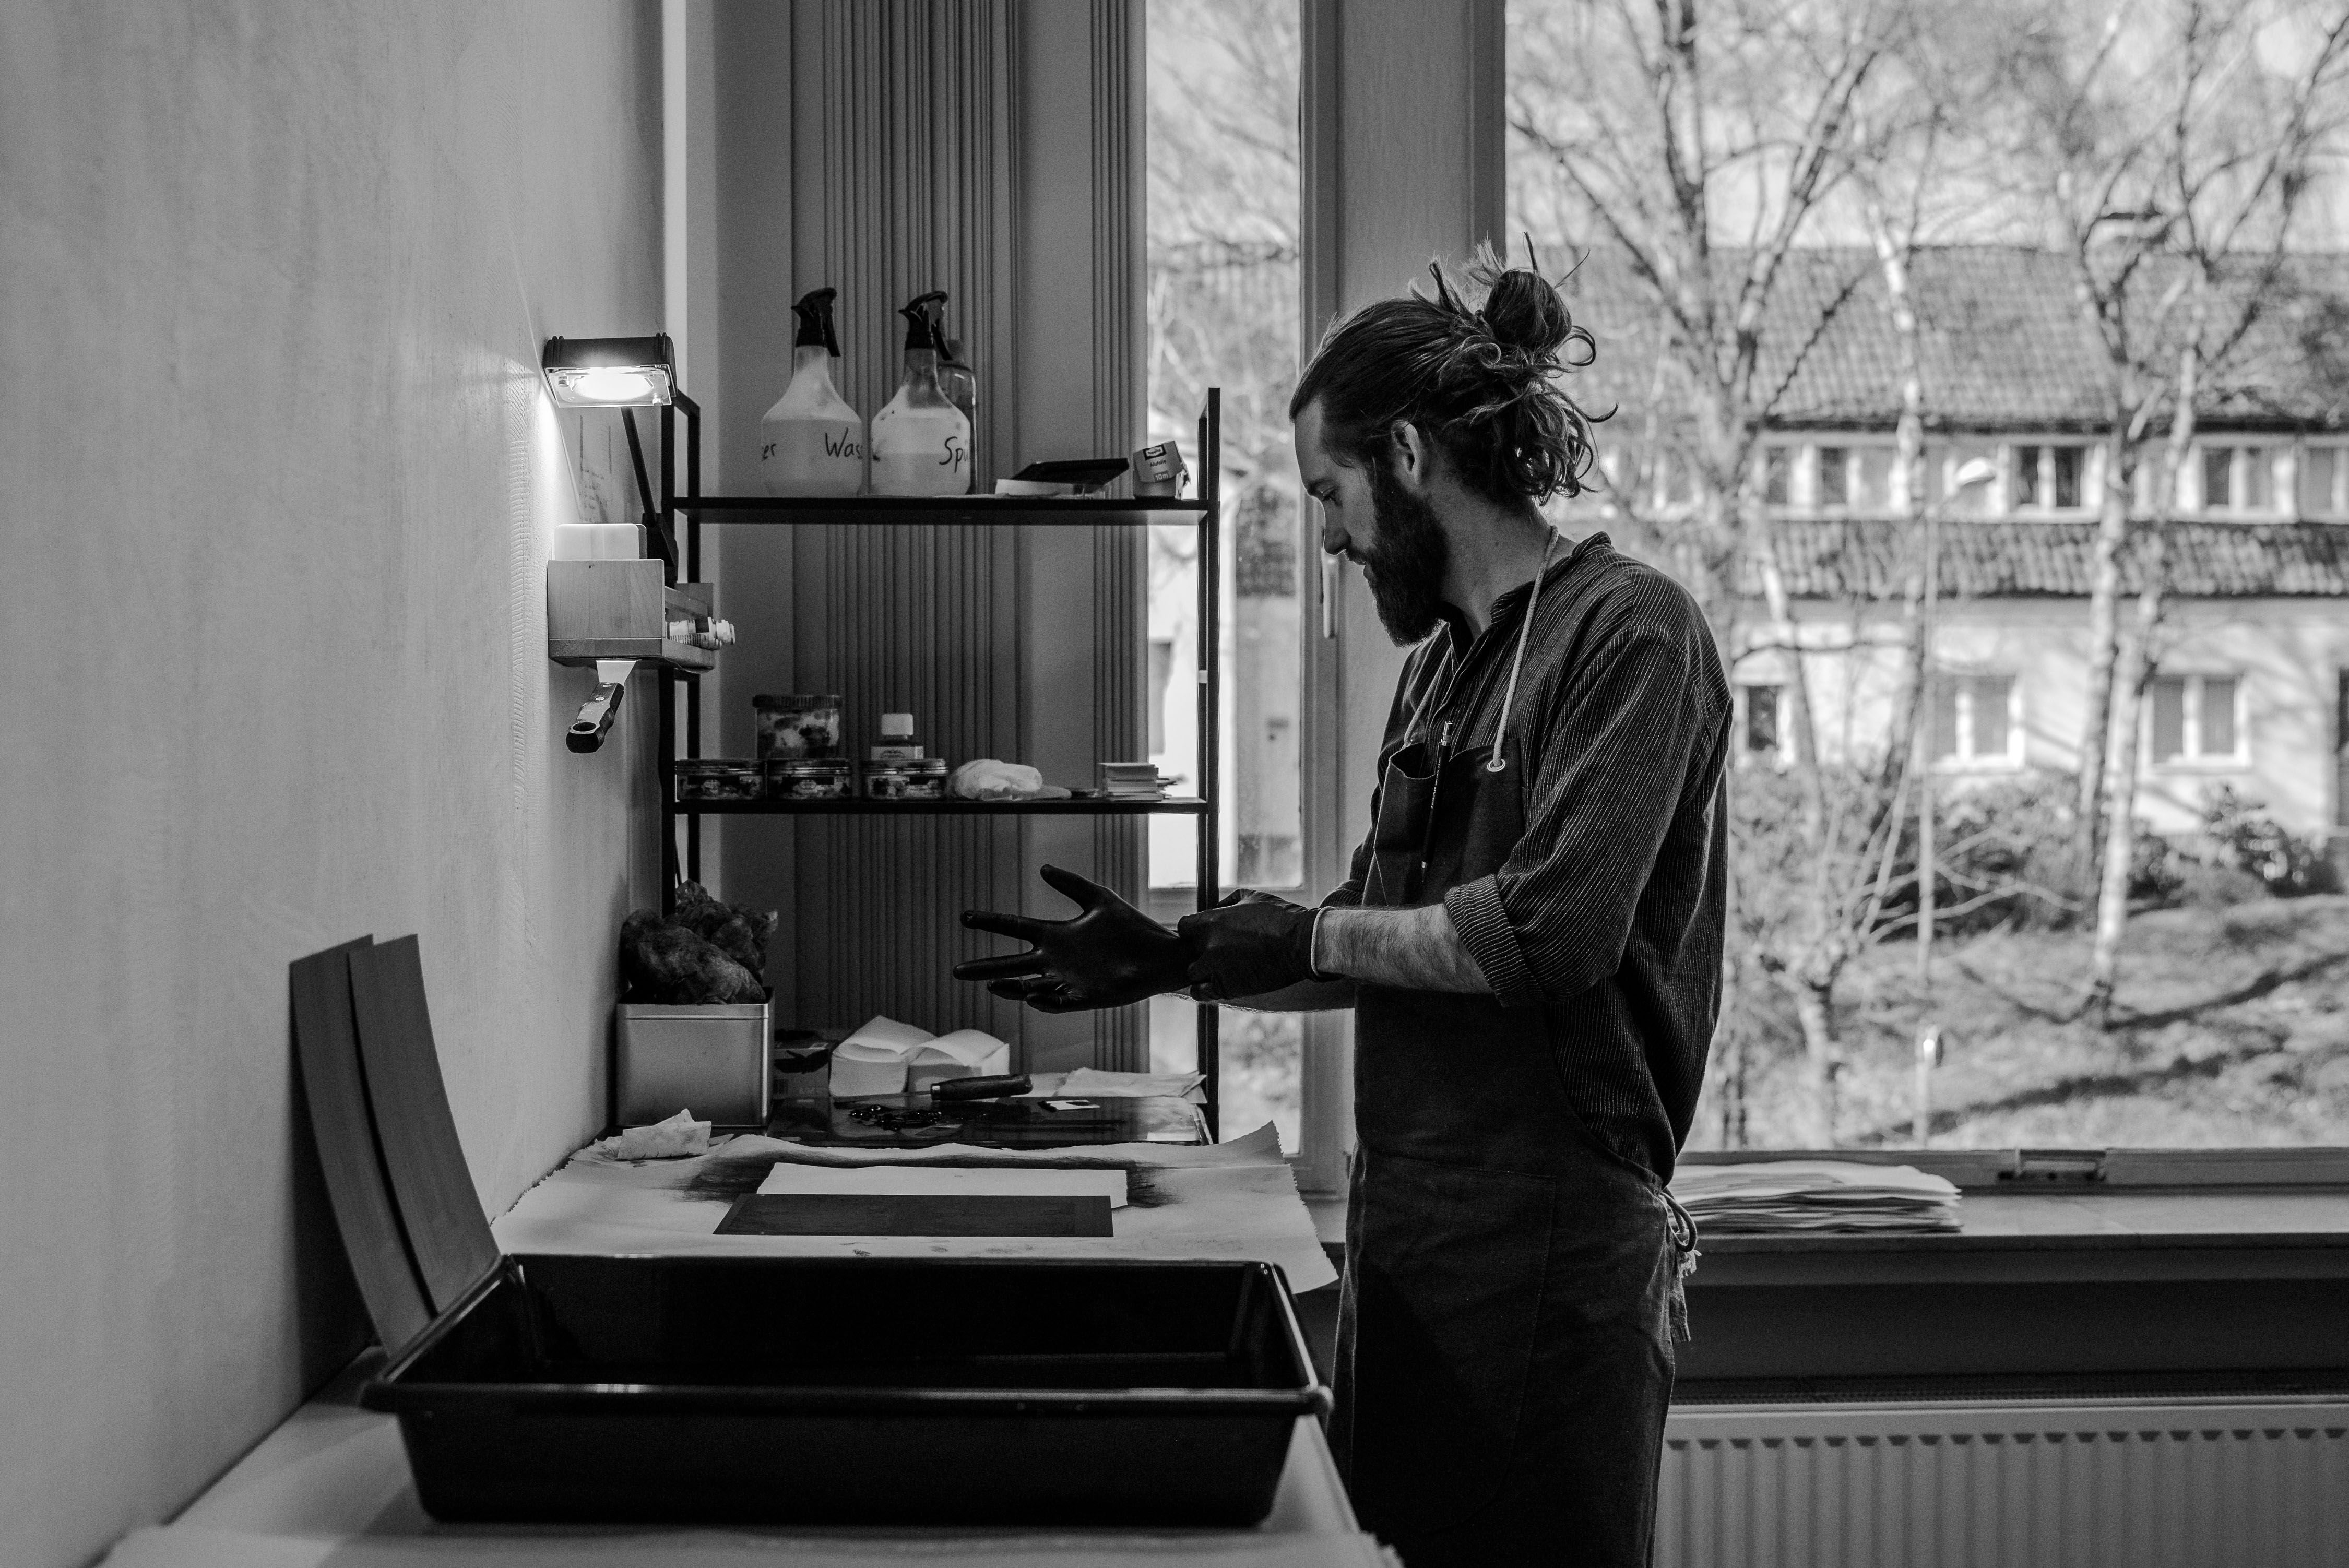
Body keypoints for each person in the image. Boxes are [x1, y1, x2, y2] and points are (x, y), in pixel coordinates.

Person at [954, 252, 1729, 1566]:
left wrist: (1303, 934)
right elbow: (1386, 929)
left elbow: (1545, 934)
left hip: (1559, 1244)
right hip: (1412, 1233)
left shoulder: (1632, 634)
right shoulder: (1439, 671)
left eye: (1331, 492)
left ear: (1412, 455)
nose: (1325, 535)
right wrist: (1183, 956)